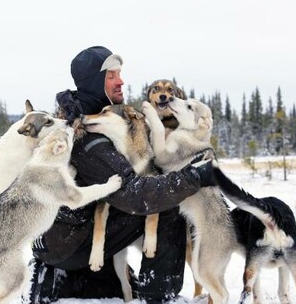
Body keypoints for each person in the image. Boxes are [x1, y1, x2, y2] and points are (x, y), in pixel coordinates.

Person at [27, 46, 216, 303]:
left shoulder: (79, 117)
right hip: (68, 240)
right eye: (111, 76)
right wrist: (194, 177)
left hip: (61, 234)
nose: (121, 81)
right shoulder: (88, 133)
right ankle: (158, 295)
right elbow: (133, 193)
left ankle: (104, 282)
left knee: (158, 191)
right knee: (167, 201)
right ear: (95, 81)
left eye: (120, 74)